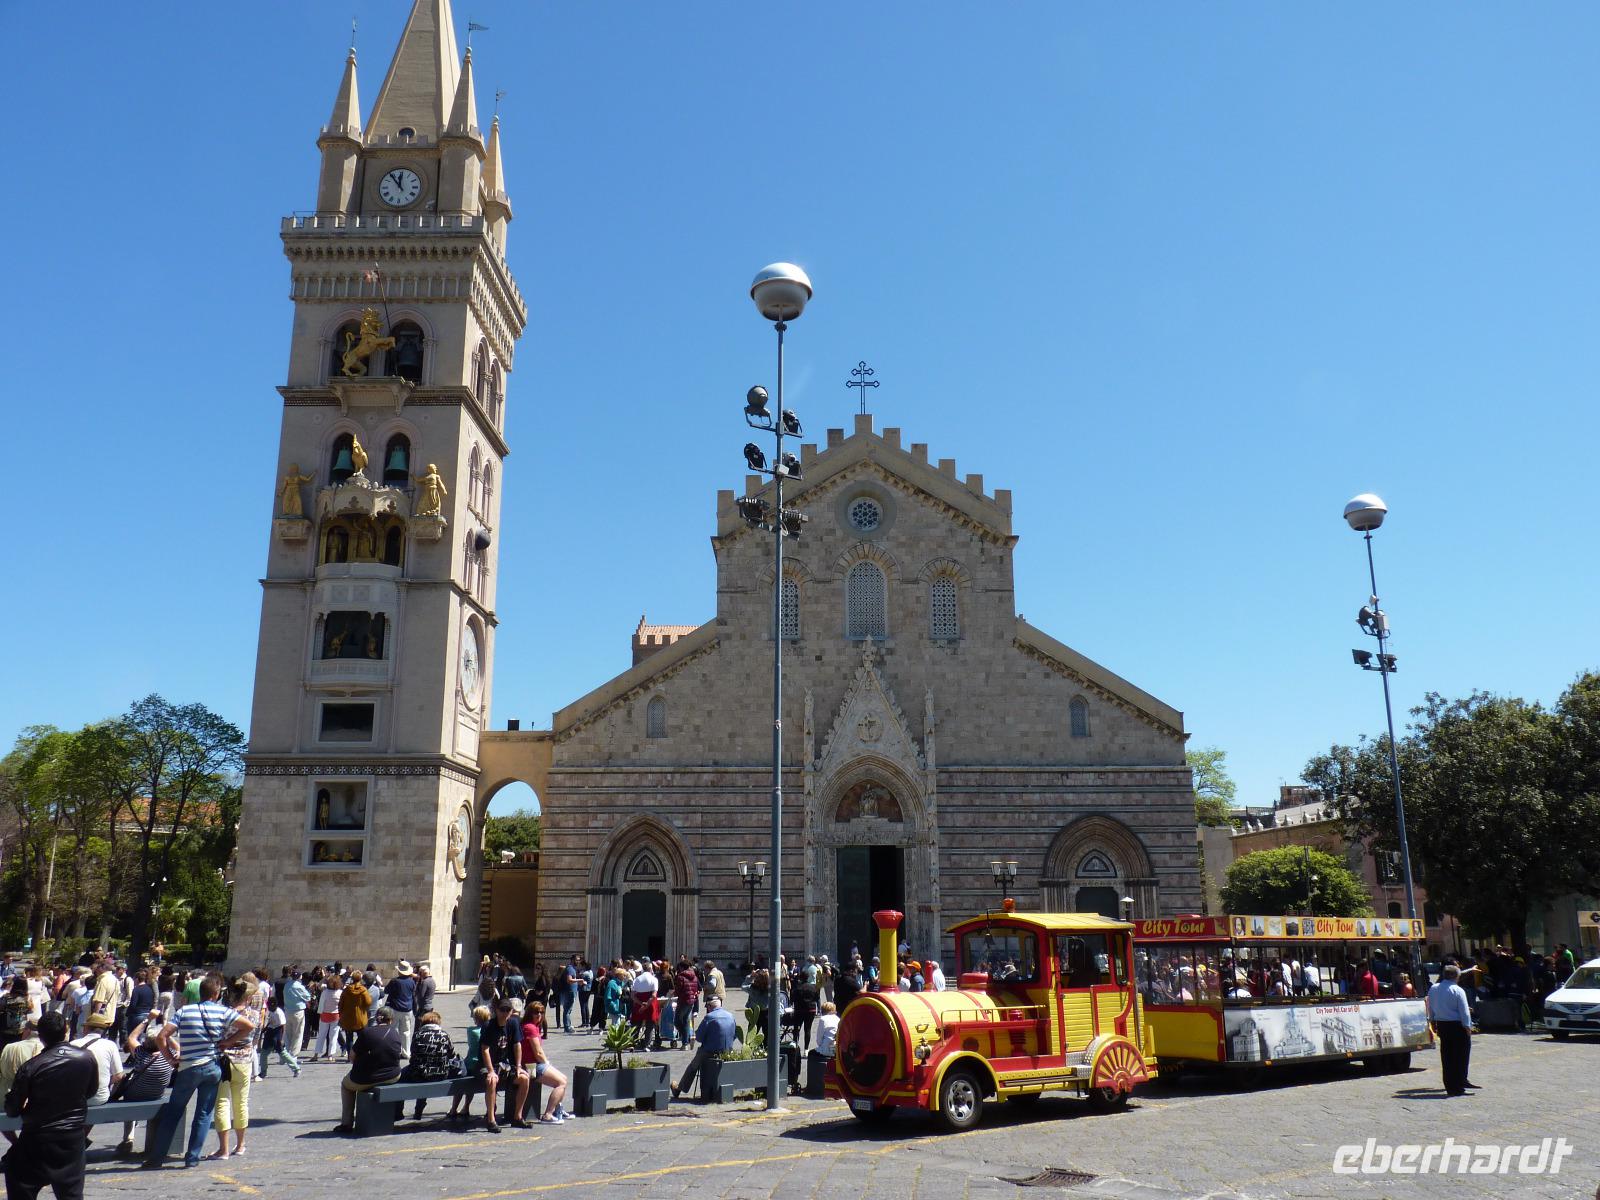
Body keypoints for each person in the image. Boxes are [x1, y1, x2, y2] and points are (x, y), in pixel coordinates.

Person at [142, 974, 248, 1170]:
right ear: (216, 994)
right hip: (212, 1067)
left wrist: (170, 1058)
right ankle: (192, 1157)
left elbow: (162, 1036)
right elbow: (248, 1026)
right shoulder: (223, 1011)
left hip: (188, 1067)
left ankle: (156, 1158)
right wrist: (227, 1042)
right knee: (203, 1114)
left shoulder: (185, 1011)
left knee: (173, 1112)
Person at [2, 1011, 96, 1200]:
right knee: (71, 1191)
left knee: (17, 1177)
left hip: (39, 1136)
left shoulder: (31, 1066)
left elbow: (13, 1110)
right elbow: (91, 1091)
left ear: (41, 1036)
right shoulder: (86, 1057)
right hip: (72, 1136)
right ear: (65, 1031)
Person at [208, 979, 260, 1160]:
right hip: (244, 1061)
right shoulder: (253, 1014)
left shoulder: (223, 1013)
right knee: (241, 1103)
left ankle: (223, 1149)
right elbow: (255, 1038)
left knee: (221, 1102)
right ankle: (240, 1145)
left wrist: (226, 1042)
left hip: (223, 1060)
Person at [333, 1008, 404, 1133]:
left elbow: (352, 1056)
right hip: (392, 1076)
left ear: (376, 1018)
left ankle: (346, 1123)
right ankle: (396, 1113)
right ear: (391, 1020)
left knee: (346, 1086)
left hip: (366, 1078)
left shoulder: (367, 1033)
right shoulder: (395, 1033)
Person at [116, 1012, 176, 1155]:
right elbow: (178, 1047)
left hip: (135, 1094)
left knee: (129, 1096)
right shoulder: (169, 1056)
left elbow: (132, 1037)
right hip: (157, 1093)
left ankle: (128, 1137)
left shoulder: (140, 1053)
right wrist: (166, 1035)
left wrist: (148, 1019)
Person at [670, 996, 737, 1101]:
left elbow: (699, 1038)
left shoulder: (709, 1018)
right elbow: (734, 1035)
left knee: (693, 1066)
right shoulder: (730, 1016)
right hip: (728, 1051)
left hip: (710, 1051)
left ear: (709, 1006)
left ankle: (680, 1088)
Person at [478, 999, 531, 1132]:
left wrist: (518, 1066)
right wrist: (490, 1070)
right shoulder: (488, 1025)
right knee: (492, 1081)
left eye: (508, 1010)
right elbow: (485, 1049)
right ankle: (491, 1119)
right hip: (488, 1064)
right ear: (496, 1010)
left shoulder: (513, 1023)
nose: (505, 1013)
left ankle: (517, 1117)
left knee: (525, 1079)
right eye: (502, 1010)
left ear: (512, 1011)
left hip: (505, 1065)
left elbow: (517, 1045)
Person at [1426, 963, 1476, 1097]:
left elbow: (1430, 1006)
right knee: (1460, 1057)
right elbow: (1464, 1011)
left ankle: (1450, 1085)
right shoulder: (1457, 990)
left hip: (1442, 1024)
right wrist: (1468, 1026)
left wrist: (1432, 1019)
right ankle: (1459, 1085)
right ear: (1455, 976)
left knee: (1447, 1057)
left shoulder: (1434, 988)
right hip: (1457, 1025)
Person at [402, 1011, 456, 1120]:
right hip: (441, 1073)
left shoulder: (418, 1035)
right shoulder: (445, 1035)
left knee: (400, 1076)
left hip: (419, 1074)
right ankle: (419, 1108)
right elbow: (452, 1055)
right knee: (426, 1071)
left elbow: (413, 1054)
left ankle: (400, 1111)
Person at [521, 1002, 570, 1123]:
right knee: (561, 1083)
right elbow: (538, 1053)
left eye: (541, 1012)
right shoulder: (530, 1028)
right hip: (530, 1067)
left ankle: (557, 1110)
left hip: (533, 1064)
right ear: (529, 1013)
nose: (539, 1015)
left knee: (564, 1078)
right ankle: (548, 1115)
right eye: (536, 1012)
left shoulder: (535, 1026)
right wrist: (547, 1063)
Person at [451, 1005, 491, 1123]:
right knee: (470, 1084)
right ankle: (466, 1106)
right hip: (482, 1064)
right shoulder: (489, 1031)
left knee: (461, 1081)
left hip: (470, 1063)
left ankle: (454, 1108)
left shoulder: (471, 1031)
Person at [384, 961, 417, 1060]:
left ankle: (394, 1051)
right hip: (407, 1009)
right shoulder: (412, 981)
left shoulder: (395, 981)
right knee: (406, 1032)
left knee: (393, 1030)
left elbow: (386, 991)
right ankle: (406, 1052)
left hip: (395, 1008)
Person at [337, 972, 371, 1059]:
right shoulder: (363, 990)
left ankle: (350, 1057)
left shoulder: (347, 990)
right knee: (362, 1038)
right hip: (360, 1018)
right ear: (360, 979)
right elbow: (368, 1002)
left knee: (349, 1038)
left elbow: (341, 1003)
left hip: (348, 1017)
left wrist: (341, 1013)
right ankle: (362, 1055)